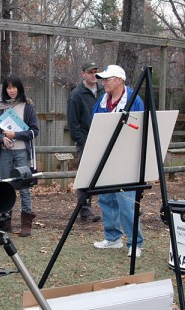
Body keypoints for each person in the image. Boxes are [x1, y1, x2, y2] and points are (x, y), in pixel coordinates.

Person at [91, 64, 145, 257]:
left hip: (126, 159)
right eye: (103, 79)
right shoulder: (103, 101)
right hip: (106, 157)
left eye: (108, 79)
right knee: (106, 198)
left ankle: (135, 243)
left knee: (126, 201)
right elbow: (95, 123)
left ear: (120, 80)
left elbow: (139, 128)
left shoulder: (134, 100)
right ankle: (112, 237)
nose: (103, 82)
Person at [0, 75, 39, 237]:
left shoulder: (28, 106)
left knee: (23, 186)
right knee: (5, 186)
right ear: (5, 89)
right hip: (5, 152)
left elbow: (34, 131)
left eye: (14, 87)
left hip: (22, 151)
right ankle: (5, 220)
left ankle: (26, 222)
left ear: (19, 88)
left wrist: (15, 134)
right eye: (9, 87)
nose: (12, 90)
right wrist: (2, 137)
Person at [67, 61, 103, 223]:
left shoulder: (103, 91)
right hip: (86, 141)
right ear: (83, 74)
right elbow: (73, 123)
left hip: (103, 139)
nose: (93, 75)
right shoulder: (76, 95)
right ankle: (85, 210)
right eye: (90, 72)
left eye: (95, 72)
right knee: (86, 177)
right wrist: (82, 141)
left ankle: (111, 207)